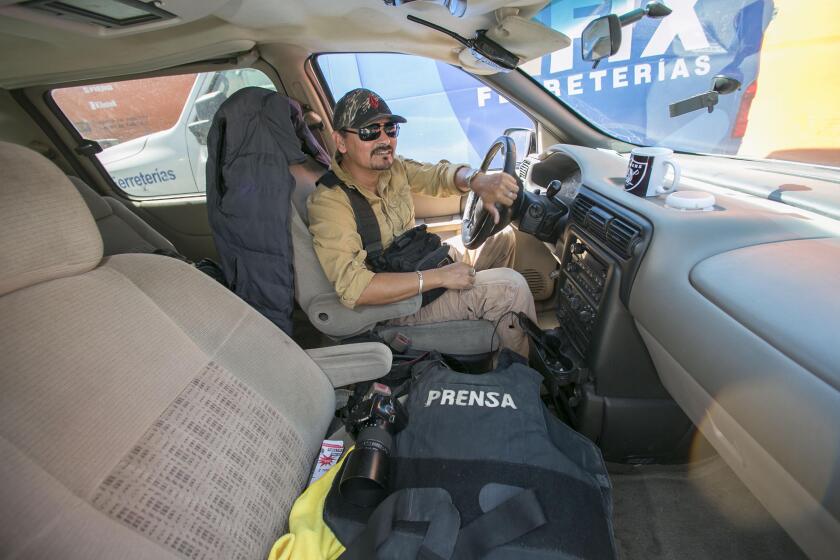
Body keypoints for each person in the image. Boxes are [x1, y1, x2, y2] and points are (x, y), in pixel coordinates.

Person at [307, 88, 537, 357]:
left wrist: (478, 180)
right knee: (511, 289)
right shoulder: (330, 202)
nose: (385, 140)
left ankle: (490, 332)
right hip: (396, 306)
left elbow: (438, 175)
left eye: (390, 129)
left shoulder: (393, 169)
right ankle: (524, 381)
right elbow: (355, 288)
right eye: (370, 131)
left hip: (419, 264)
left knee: (502, 237)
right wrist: (437, 277)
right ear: (341, 142)